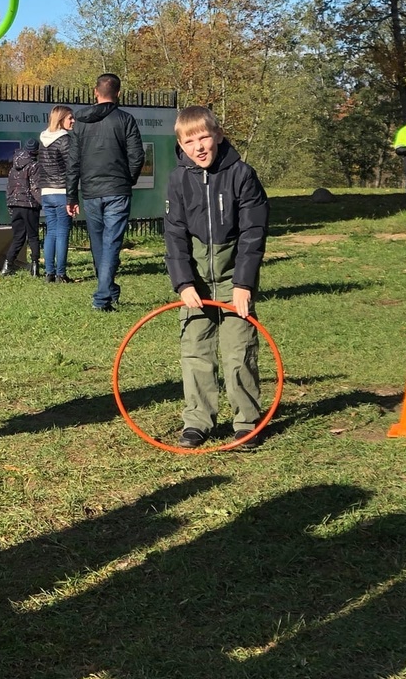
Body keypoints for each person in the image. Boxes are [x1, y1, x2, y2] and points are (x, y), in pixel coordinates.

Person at [163, 106, 269, 449]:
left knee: (239, 351)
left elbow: (254, 233)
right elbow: (174, 235)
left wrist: (243, 285)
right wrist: (183, 283)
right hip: (195, 279)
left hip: (232, 276)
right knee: (195, 351)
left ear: (218, 135)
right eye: (190, 140)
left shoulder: (241, 174)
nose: (200, 147)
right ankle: (198, 421)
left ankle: (247, 422)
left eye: (205, 137)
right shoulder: (178, 179)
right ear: (181, 144)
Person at [66, 74, 144, 312]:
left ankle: (108, 290)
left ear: (95, 92)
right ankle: (103, 296)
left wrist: (71, 195)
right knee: (111, 243)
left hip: (90, 191)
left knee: (99, 243)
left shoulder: (81, 123)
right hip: (117, 189)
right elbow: (137, 156)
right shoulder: (126, 120)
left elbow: (73, 161)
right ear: (118, 93)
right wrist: (127, 179)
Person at [38, 105, 75, 283]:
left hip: (46, 192)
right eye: (70, 118)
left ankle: (49, 273)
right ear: (61, 120)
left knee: (51, 232)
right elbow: (71, 169)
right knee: (62, 233)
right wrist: (73, 196)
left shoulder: (43, 139)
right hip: (62, 191)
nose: (73, 121)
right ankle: (61, 273)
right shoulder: (65, 140)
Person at [2, 138, 42, 276]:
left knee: (18, 237)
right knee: (33, 236)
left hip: (14, 204)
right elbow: (35, 188)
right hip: (29, 205)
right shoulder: (34, 166)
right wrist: (43, 203)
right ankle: (35, 267)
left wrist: (10, 205)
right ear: (36, 151)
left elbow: (9, 188)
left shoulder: (13, 168)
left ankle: (7, 265)